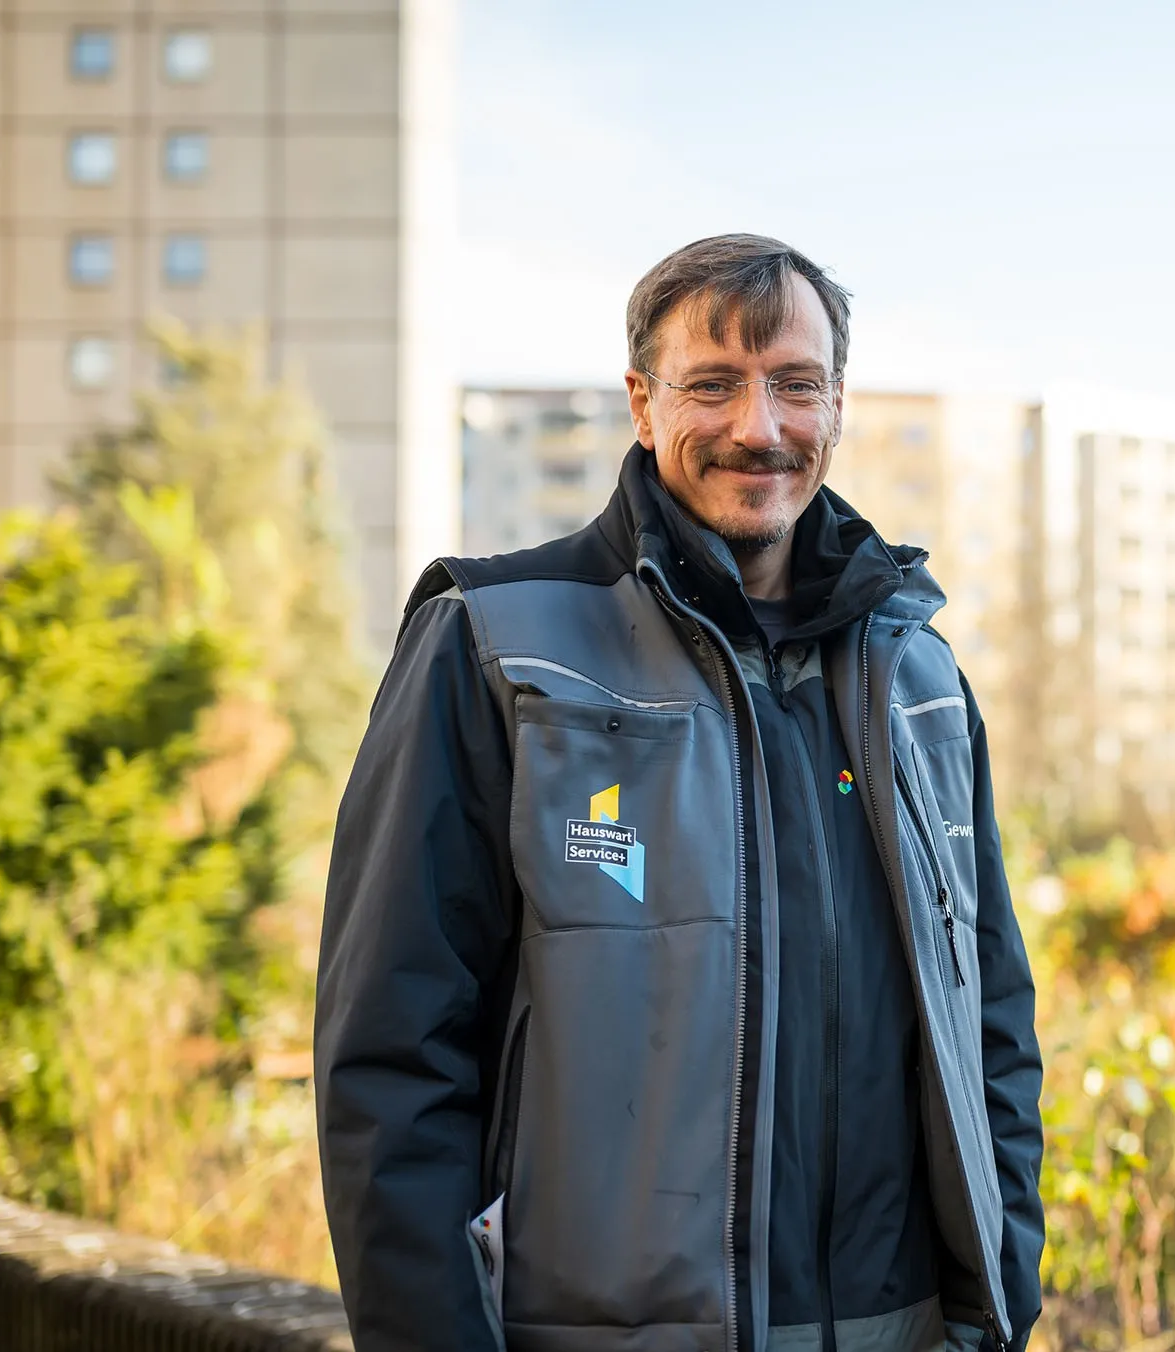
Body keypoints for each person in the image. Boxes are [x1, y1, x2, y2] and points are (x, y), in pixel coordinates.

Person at [315, 234, 1045, 1352]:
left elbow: (990, 1014)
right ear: (642, 404)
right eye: (713, 383)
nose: (761, 427)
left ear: (836, 403)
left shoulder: (920, 679)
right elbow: (392, 1059)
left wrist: (1001, 1300)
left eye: (796, 384)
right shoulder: (497, 644)